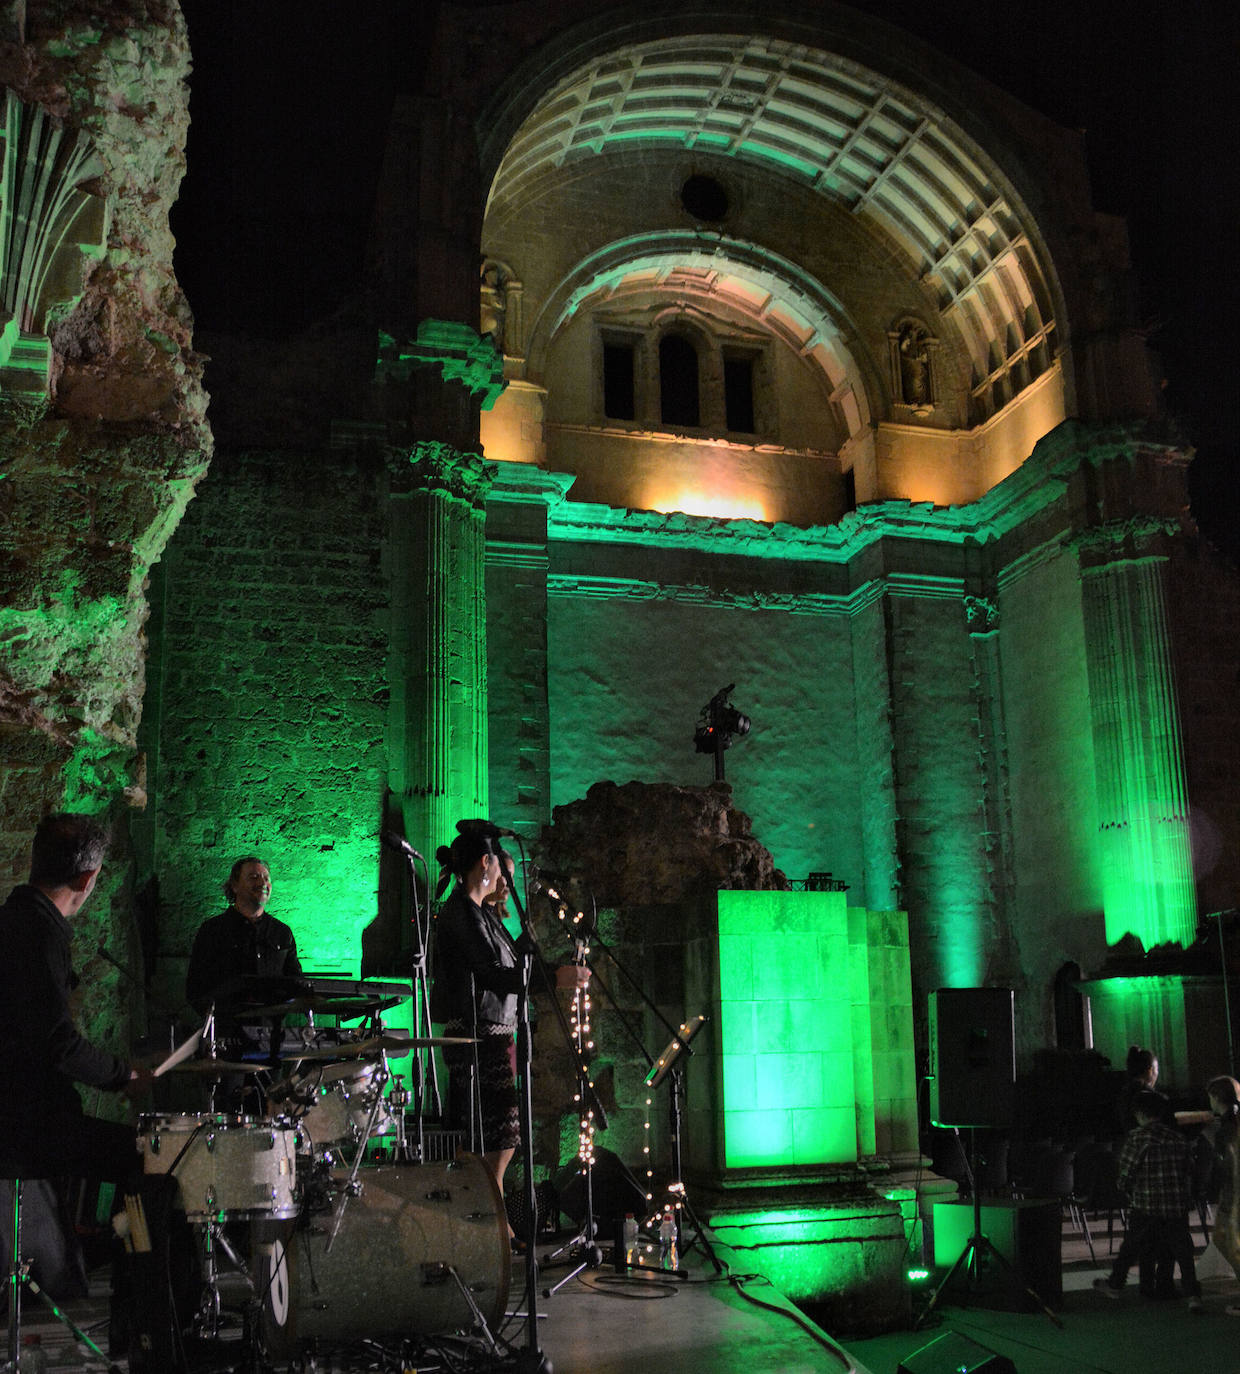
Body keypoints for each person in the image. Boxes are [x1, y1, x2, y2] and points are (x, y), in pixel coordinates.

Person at [430, 826, 587, 1232]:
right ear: (486, 862)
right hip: (478, 1038)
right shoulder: (462, 912)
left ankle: (493, 1230)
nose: (504, 877)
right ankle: (495, 1232)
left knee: (497, 1145)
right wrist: (554, 979)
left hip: (494, 1034)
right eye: (500, 867)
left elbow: (512, 963)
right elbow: (493, 974)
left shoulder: (480, 913)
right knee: (495, 1146)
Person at [0, 813, 152, 1182]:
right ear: (87, 879)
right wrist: (123, 1074)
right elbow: (57, 1043)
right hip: (25, 1125)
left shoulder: (11, 919)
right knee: (151, 1160)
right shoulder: (40, 935)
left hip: (17, 1116)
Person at [1093, 1089, 1203, 1313]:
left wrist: (1126, 1190)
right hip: (1175, 1205)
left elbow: (1126, 1172)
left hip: (1146, 1204)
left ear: (1139, 1114)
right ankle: (1193, 1295)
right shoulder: (1178, 1138)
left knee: (1130, 1246)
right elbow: (1189, 1170)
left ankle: (1115, 1284)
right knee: (1183, 1251)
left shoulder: (1137, 1137)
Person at [185, 856, 302, 1015]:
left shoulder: (282, 932)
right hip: (227, 1029)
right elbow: (196, 988)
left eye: (266, 878)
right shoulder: (213, 930)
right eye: (254, 877)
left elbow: (295, 983)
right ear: (234, 885)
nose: (262, 883)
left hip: (271, 1032)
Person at [1206, 1074, 1240, 1315]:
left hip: (1234, 1192)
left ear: (1217, 1098)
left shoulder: (1225, 1128)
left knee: (1227, 1241)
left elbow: (1224, 1162)